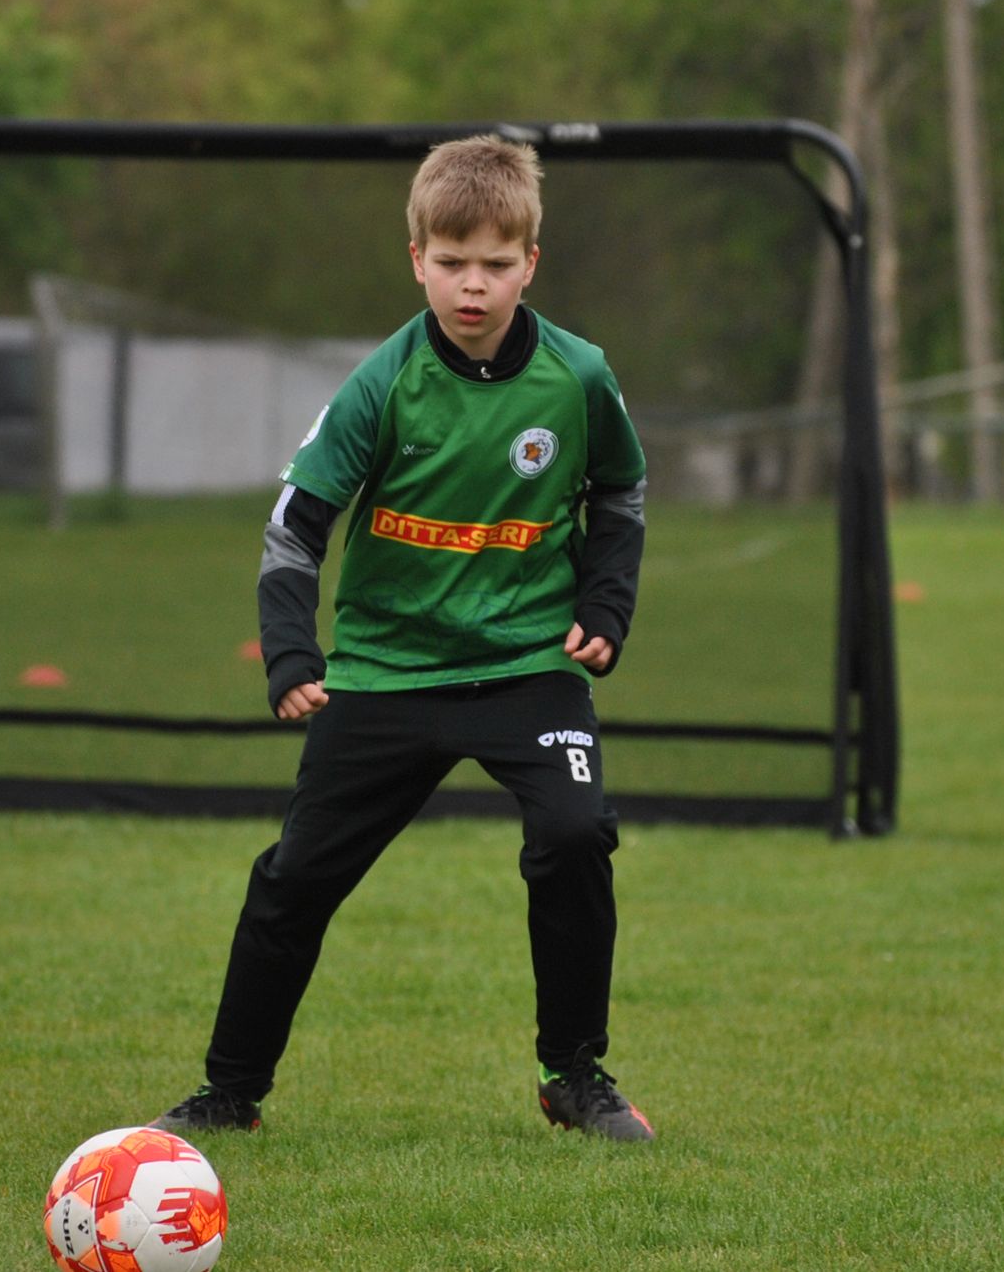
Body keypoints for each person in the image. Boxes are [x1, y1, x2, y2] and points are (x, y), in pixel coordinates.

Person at [153, 136, 654, 1143]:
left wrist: (602, 608)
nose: (474, 285)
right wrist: (292, 654)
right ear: (415, 256)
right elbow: (295, 525)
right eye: (452, 261)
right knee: (296, 878)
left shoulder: (577, 376)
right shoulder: (381, 384)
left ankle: (572, 1073)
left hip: (526, 668)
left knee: (572, 833)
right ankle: (228, 1093)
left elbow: (619, 491)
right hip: (386, 673)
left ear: (530, 264)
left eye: (497, 263)